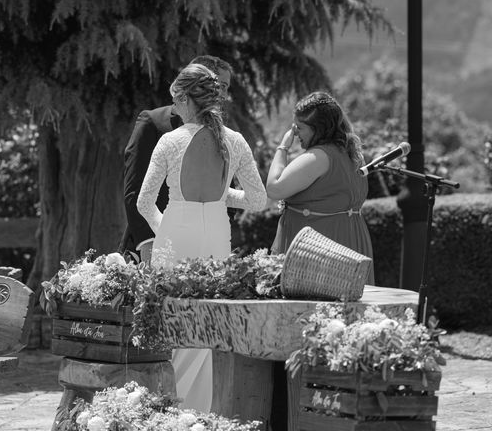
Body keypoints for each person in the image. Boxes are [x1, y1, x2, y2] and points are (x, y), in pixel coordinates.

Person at [136, 63, 266, 412]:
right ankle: (203, 414)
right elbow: (258, 200)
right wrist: (221, 195)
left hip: (175, 237)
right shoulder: (235, 141)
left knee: (174, 329)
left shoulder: (170, 141)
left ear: (183, 98)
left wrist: (167, 230)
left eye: (175, 100)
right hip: (215, 240)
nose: (174, 108)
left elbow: (144, 202)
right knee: (209, 329)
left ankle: (173, 413)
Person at [120, 56, 234, 263]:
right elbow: (135, 190)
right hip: (153, 248)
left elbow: (226, 193)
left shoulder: (223, 134)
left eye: (225, 87)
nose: (222, 94)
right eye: (218, 85)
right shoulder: (153, 123)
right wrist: (149, 244)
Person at [266, 91, 374, 284]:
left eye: (300, 127)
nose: (295, 132)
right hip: (348, 240)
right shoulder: (351, 154)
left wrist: (282, 148)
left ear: (319, 129)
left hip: (320, 250)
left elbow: (274, 189)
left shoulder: (318, 158)